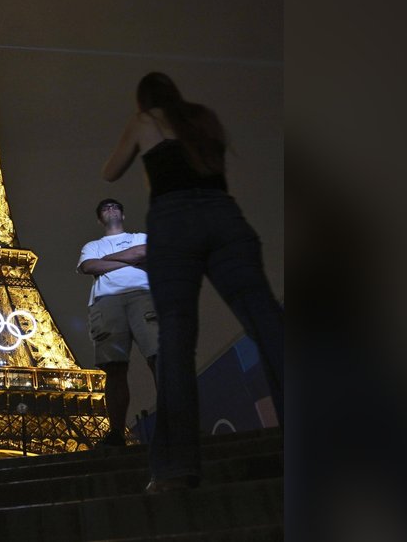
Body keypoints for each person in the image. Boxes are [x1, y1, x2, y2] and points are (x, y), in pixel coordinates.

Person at [100, 72, 284, 493]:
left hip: (173, 221)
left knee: (176, 342)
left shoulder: (145, 120)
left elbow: (110, 172)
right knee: (268, 324)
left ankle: (174, 468)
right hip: (225, 216)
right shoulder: (204, 119)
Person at [77, 198, 159, 447]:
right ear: (99, 219)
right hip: (106, 302)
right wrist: (129, 259)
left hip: (142, 297)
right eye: (104, 208)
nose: (110, 208)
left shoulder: (140, 237)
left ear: (123, 215)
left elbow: (144, 252)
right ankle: (116, 432)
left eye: (115, 206)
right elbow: (89, 266)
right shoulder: (92, 245)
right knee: (114, 369)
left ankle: (177, 422)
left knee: (160, 359)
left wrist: (108, 261)